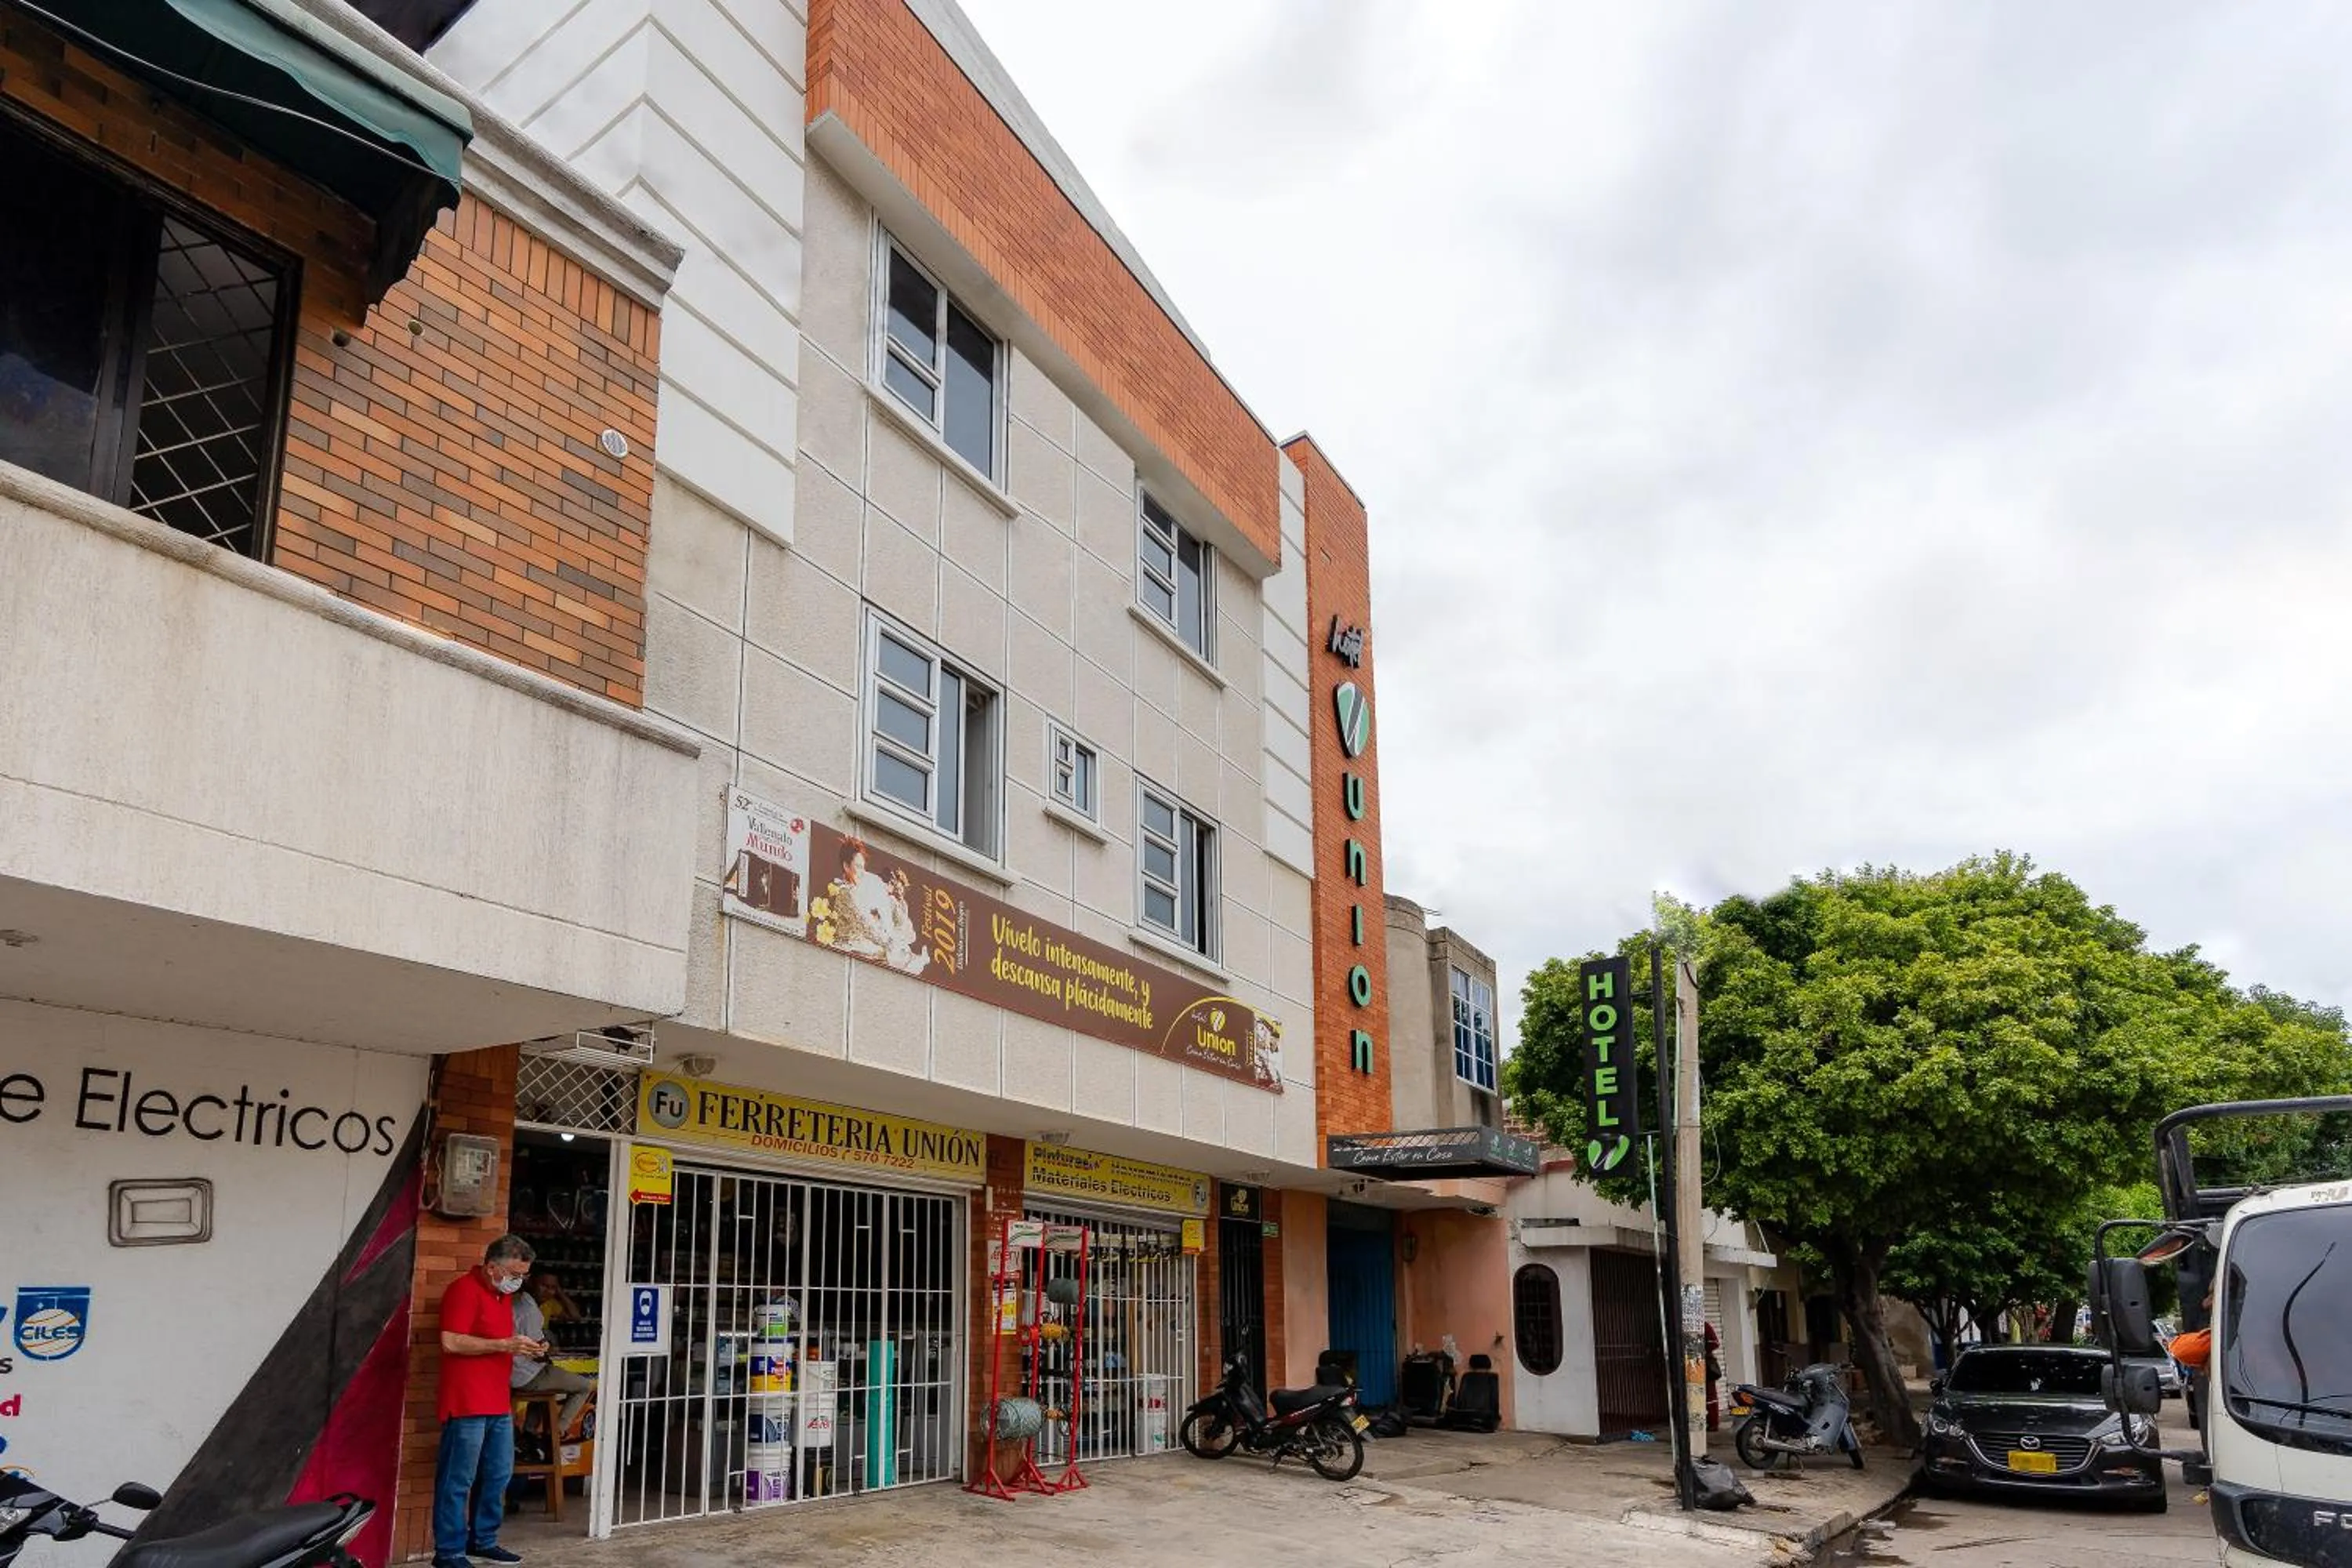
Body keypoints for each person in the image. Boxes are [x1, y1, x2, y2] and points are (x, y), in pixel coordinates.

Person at [435, 1235, 543, 1568]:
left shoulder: (502, 1296)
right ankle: (449, 1552)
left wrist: (528, 1347)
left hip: (498, 1400)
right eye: (514, 1273)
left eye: (524, 1275)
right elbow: (451, 1341)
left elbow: (500, 1342)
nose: (518, 1281)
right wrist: (504, 1345)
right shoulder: (463, 1290)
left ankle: (483, 1540)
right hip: (466, 1401)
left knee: (498, 1474)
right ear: (492, 1267)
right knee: (458, 1479)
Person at [512, 1272, 596, 1450]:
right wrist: (549, 1351)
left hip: (516, 1371)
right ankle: (555, 1434)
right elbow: (538, 1353)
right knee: (584, 1387)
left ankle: (530, 1430)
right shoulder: (530, 1311)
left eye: (552, 1288)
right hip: (524, 1374)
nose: (548, 1291)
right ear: (532, 1283)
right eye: (544, 1285)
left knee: (548, 1382)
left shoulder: (522, 1304)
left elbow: (576, 1316)